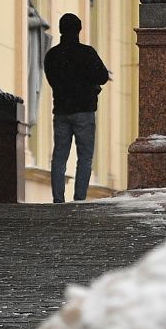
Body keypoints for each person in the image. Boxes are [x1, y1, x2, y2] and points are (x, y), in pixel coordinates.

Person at [42, 13, 109, 203]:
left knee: (59, 156)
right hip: (84, 111)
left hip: (61, 111)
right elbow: (103, 76)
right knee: (85, 157)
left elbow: (52, 80)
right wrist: (87, 82)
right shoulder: (87, 53)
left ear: (60, 29)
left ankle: (58, 199)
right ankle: (79, 199)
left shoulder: (52, 55)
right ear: (79, 29)